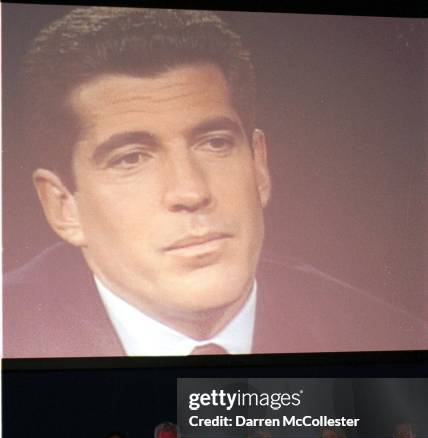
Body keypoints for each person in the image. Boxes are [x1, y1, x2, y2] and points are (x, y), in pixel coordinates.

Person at [4, 7, 428, 358]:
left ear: (258, 166)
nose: (191, 191)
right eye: (131, 158)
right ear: (63, 206)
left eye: (215, 143)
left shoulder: (395, 336)